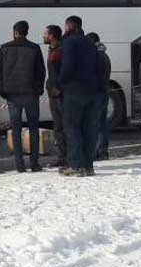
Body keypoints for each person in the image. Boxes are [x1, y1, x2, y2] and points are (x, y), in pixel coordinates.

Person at [0, 20, 46, 172]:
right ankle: (34, 163)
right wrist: (38, 89)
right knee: (33, 128)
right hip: (31, 94)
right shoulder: (34, 48)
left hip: (12, 95)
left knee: (16, 129)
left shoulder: (5, 48)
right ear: (27, 32)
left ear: (15, 32)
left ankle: (19, 165)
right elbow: (41, 71)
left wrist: (5, 87)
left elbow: (0, 72)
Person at [58, 15, 101, 177]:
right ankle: (89, 166)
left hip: (74, 90)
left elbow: (68, 66)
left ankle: (76, 165)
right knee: (89, 128)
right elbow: (98, 66)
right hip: (92, 90)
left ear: (69, 26)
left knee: (72, 127)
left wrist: (61, 82)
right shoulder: (90, 43)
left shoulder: (69, 42)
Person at [43, 25, 66, 168]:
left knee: (63, 126)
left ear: (52, 36)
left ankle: (65, 156)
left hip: (59, 95)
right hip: (54, 94)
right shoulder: (53, 50)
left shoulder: (59, 52)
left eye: (45, 34)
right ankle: (62, 155)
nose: (43, 36)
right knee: (58, 126)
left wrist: (58, 88)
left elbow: (62, 72)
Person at [86, 32, 112, 161]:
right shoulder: (104, 55)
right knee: (102, 122)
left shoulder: (95, 56)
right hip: (104, 92)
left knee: (95, 123)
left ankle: (98, 151)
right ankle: (103, 150)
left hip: (96, 93)